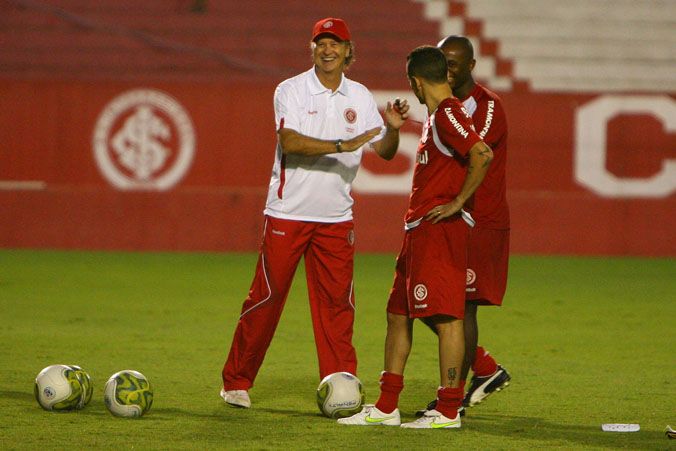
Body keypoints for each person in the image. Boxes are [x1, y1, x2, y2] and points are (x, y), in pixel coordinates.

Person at [219, 17, 409, 409]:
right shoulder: (290, 89)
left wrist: (390, 129)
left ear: (347, 51)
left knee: (338, 306)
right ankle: (236, 381)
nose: (328, 50)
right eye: (321, 43)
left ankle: (341, 386)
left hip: (336, 218)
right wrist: (343, 144)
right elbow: (288, 142)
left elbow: (385, 151)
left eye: (335, 43)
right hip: (288, 213)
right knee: (267, 298)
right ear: (312, 49)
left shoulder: (359, 96)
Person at [338, 45, 493, 429]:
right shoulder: (437, 116)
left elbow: (482, 153)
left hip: (440, 232)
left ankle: (448, 409)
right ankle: (387, 405)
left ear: (416, 81)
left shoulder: (450, 114)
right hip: (418, 231)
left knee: (446, 319)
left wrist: (458, 201)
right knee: (397, 314)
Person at [416, 36, 512, 417]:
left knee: (462, 309)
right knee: (421, 302)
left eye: (455, 64)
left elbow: (474, 152)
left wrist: (456, 201)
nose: (449, 71)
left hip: (480, 220)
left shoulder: (487, 108)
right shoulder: (442, 107)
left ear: (472, 66)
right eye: (444, 63)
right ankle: (485, 369)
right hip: (451, 221)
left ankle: (452, 402)